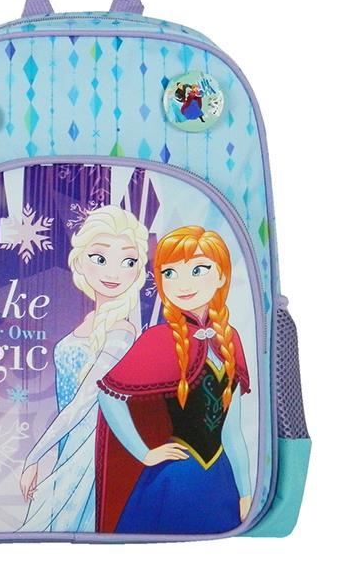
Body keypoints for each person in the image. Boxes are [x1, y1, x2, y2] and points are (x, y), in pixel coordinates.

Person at [95, 226, 252, 534]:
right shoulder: (159, 338)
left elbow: (232, 430)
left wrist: (246, 492)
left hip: (220, 478)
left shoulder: (229, 338)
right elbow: (108, 395)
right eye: (170, 273)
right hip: (175, 474)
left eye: (198, 269)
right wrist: (144, 452)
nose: (183, 283)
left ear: (222, 275)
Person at [17, 205, 148, 532]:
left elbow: (84, 400)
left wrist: (35, 454)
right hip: (70, 441)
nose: (113, 273)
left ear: (138, 270)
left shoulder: (122, 332)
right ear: (79, 261)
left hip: (95, 448)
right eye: (100, 258)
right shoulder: (92, 321)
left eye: (128, 262)